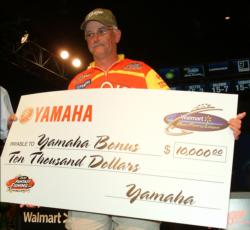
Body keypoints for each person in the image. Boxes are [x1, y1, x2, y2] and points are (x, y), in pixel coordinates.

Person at [7, 8, 246, 230]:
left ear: (117, 35)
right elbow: (59, 135)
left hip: (138, 187)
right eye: (90, 34)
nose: (95, 37)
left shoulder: (143, 72)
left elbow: (176, 117)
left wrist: (220, 129)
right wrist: (26, 129)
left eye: (102, 31)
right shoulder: (76, 82)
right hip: (86, 187)